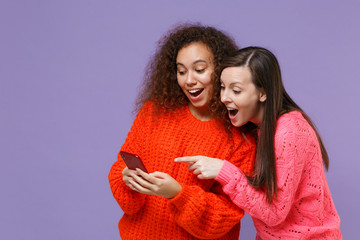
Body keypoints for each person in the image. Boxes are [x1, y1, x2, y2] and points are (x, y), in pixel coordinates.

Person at [175, 47, 342, 239]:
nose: (224, 98)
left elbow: (274, 213)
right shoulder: (260, 128)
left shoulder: (289, 132)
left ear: (262, 93)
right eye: (222, 87)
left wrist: (224, 171)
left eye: (236, 90)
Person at [108, 24, 256, 240]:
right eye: (181, 71)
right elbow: (120, 167)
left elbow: (226, 213)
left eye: (199, 69)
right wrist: (127, 178)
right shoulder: (154, 111)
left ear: (222, 70)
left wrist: (178, 194)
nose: (189, 80)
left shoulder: (241, 137)